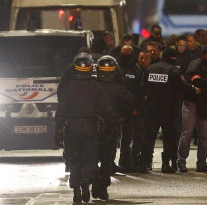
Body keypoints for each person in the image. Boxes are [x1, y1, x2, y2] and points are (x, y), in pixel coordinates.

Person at [54, 53, 109, 203]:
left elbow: (61, 110)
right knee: (89, 158)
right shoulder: (97, 87)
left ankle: (76, 189)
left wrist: (58, 128)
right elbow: (105, 108)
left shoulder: (68, 87)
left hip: (72, 126)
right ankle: (86, 183)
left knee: (74, 159)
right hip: (91, 127)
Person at [139, 47, 201, 173]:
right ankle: (166, 164)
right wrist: (194, 90)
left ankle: (144, 163)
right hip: (168, 109)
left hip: (151, 109)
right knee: (169, 138)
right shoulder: (173, 70)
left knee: (148, 137)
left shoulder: (150, 68)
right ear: (173, 58)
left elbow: (143, 87)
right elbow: (182, 86)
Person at [92, 55, 134, 201]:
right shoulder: (118, 88)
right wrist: (121, 115)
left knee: (92, 157)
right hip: (110, 128)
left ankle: (97, 182)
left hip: (92, 127)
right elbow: (131, 104)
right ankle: (102, 187)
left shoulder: (91, 86)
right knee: (106, 159)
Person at [178, 43, 207, 173]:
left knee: (204, 137)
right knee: (186, 134)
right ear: (203, 54)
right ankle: (181, 162)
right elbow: (195, 81)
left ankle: (202, 163)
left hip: (205, 105)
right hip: (192, 103)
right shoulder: (196, 64)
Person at [117, 46, 145, 173]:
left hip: (133, 109)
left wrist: (136, 108)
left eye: (128, 53)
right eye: (124, 52)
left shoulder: (136, 69)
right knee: (124, 138)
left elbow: (139, 90)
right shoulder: (116, 68)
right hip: (120, 109)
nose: (126, 54)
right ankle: (123, 162)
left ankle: (132, 161)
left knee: (135, 136)